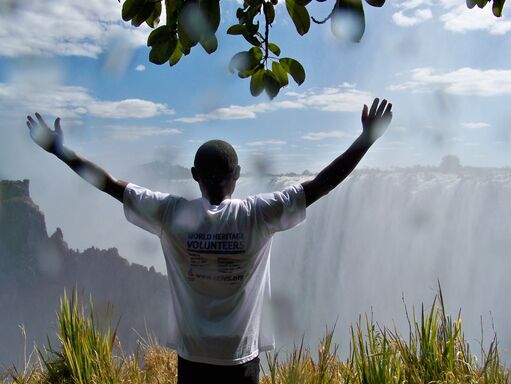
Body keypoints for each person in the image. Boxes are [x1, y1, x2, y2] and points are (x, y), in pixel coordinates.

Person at [26, 98, 392, 383]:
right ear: (238, 175)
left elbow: (112, 186)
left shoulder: (170, 214)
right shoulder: (257, 215)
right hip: (242, 361)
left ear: (195, 175)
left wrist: (62, 151)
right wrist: (365, 140)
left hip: (192, 361)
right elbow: (320, 186)